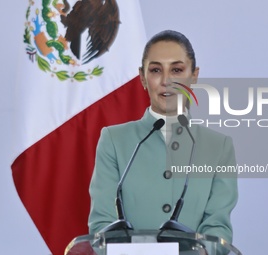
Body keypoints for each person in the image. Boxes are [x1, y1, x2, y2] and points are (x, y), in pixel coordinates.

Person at [88, 30, 238, 244]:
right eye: (156, 70)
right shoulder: (113, 140)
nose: (166, 80)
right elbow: (102, 225)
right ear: (143, 77)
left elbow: (217, 228)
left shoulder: (219, 147)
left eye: (177, 70)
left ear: (194, 76)